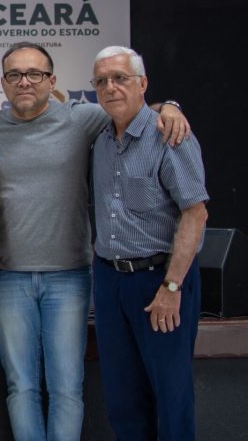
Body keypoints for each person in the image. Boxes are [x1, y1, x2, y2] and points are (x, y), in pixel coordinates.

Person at [0, 41, 190, 441]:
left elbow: (132, 106)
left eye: (35, 74)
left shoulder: (84, 119)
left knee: (66, 389)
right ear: (3, 83)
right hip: (8, 278)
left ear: (53, 81)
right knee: (20, 387)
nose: (25, 82)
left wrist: (170, 105)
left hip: (70, 277)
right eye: (14, 75)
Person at [89, 46, 207, 440]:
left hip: (160, 280)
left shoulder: (169, 135)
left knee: (171, 398)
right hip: (110, 281)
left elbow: (196, 213)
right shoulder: (101, 139)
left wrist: (172, 287)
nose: (111, 87)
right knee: (122, 399)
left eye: (120, 78)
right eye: (102, 81)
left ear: (142, 83)